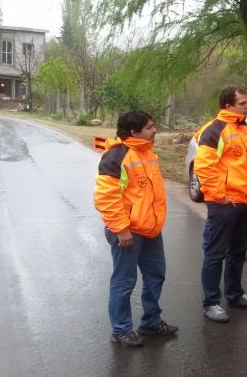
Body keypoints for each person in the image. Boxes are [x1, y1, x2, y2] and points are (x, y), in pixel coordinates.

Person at [94, 110, 177, 347]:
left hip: (150, 230)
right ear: (134, 132)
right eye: (150, 127)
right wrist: (120, 228)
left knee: (156, 275)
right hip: (127, 232)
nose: (154, 131)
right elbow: (105, 197)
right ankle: (120, 330)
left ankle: (151, 321)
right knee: (124, 281)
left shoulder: (148, 153)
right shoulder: (116, 156)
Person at [194, 87, 247, 324]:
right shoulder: (214, 130)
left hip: (246, 201)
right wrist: (219, 195)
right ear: (227, 106)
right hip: (224, 204)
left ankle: (234, 294)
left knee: (238, 253)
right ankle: (211, 302)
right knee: (215, 253)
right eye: (242, 103)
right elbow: (204, 167)